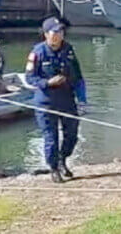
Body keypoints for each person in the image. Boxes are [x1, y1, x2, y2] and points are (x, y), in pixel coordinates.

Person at [25, 17, 87, 183]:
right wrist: (47, 83)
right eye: (55, 32)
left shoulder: (69, 50)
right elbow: (29, 78)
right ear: (46, 34)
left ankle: (62, 160)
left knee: (72, 135)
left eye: (61, 31)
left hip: (67, 100)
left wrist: (82, 100)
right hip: (46, 102)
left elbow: (79, 77)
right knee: (51, 137)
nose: (58, 35)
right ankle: (53, 168)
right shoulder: (37, 53)